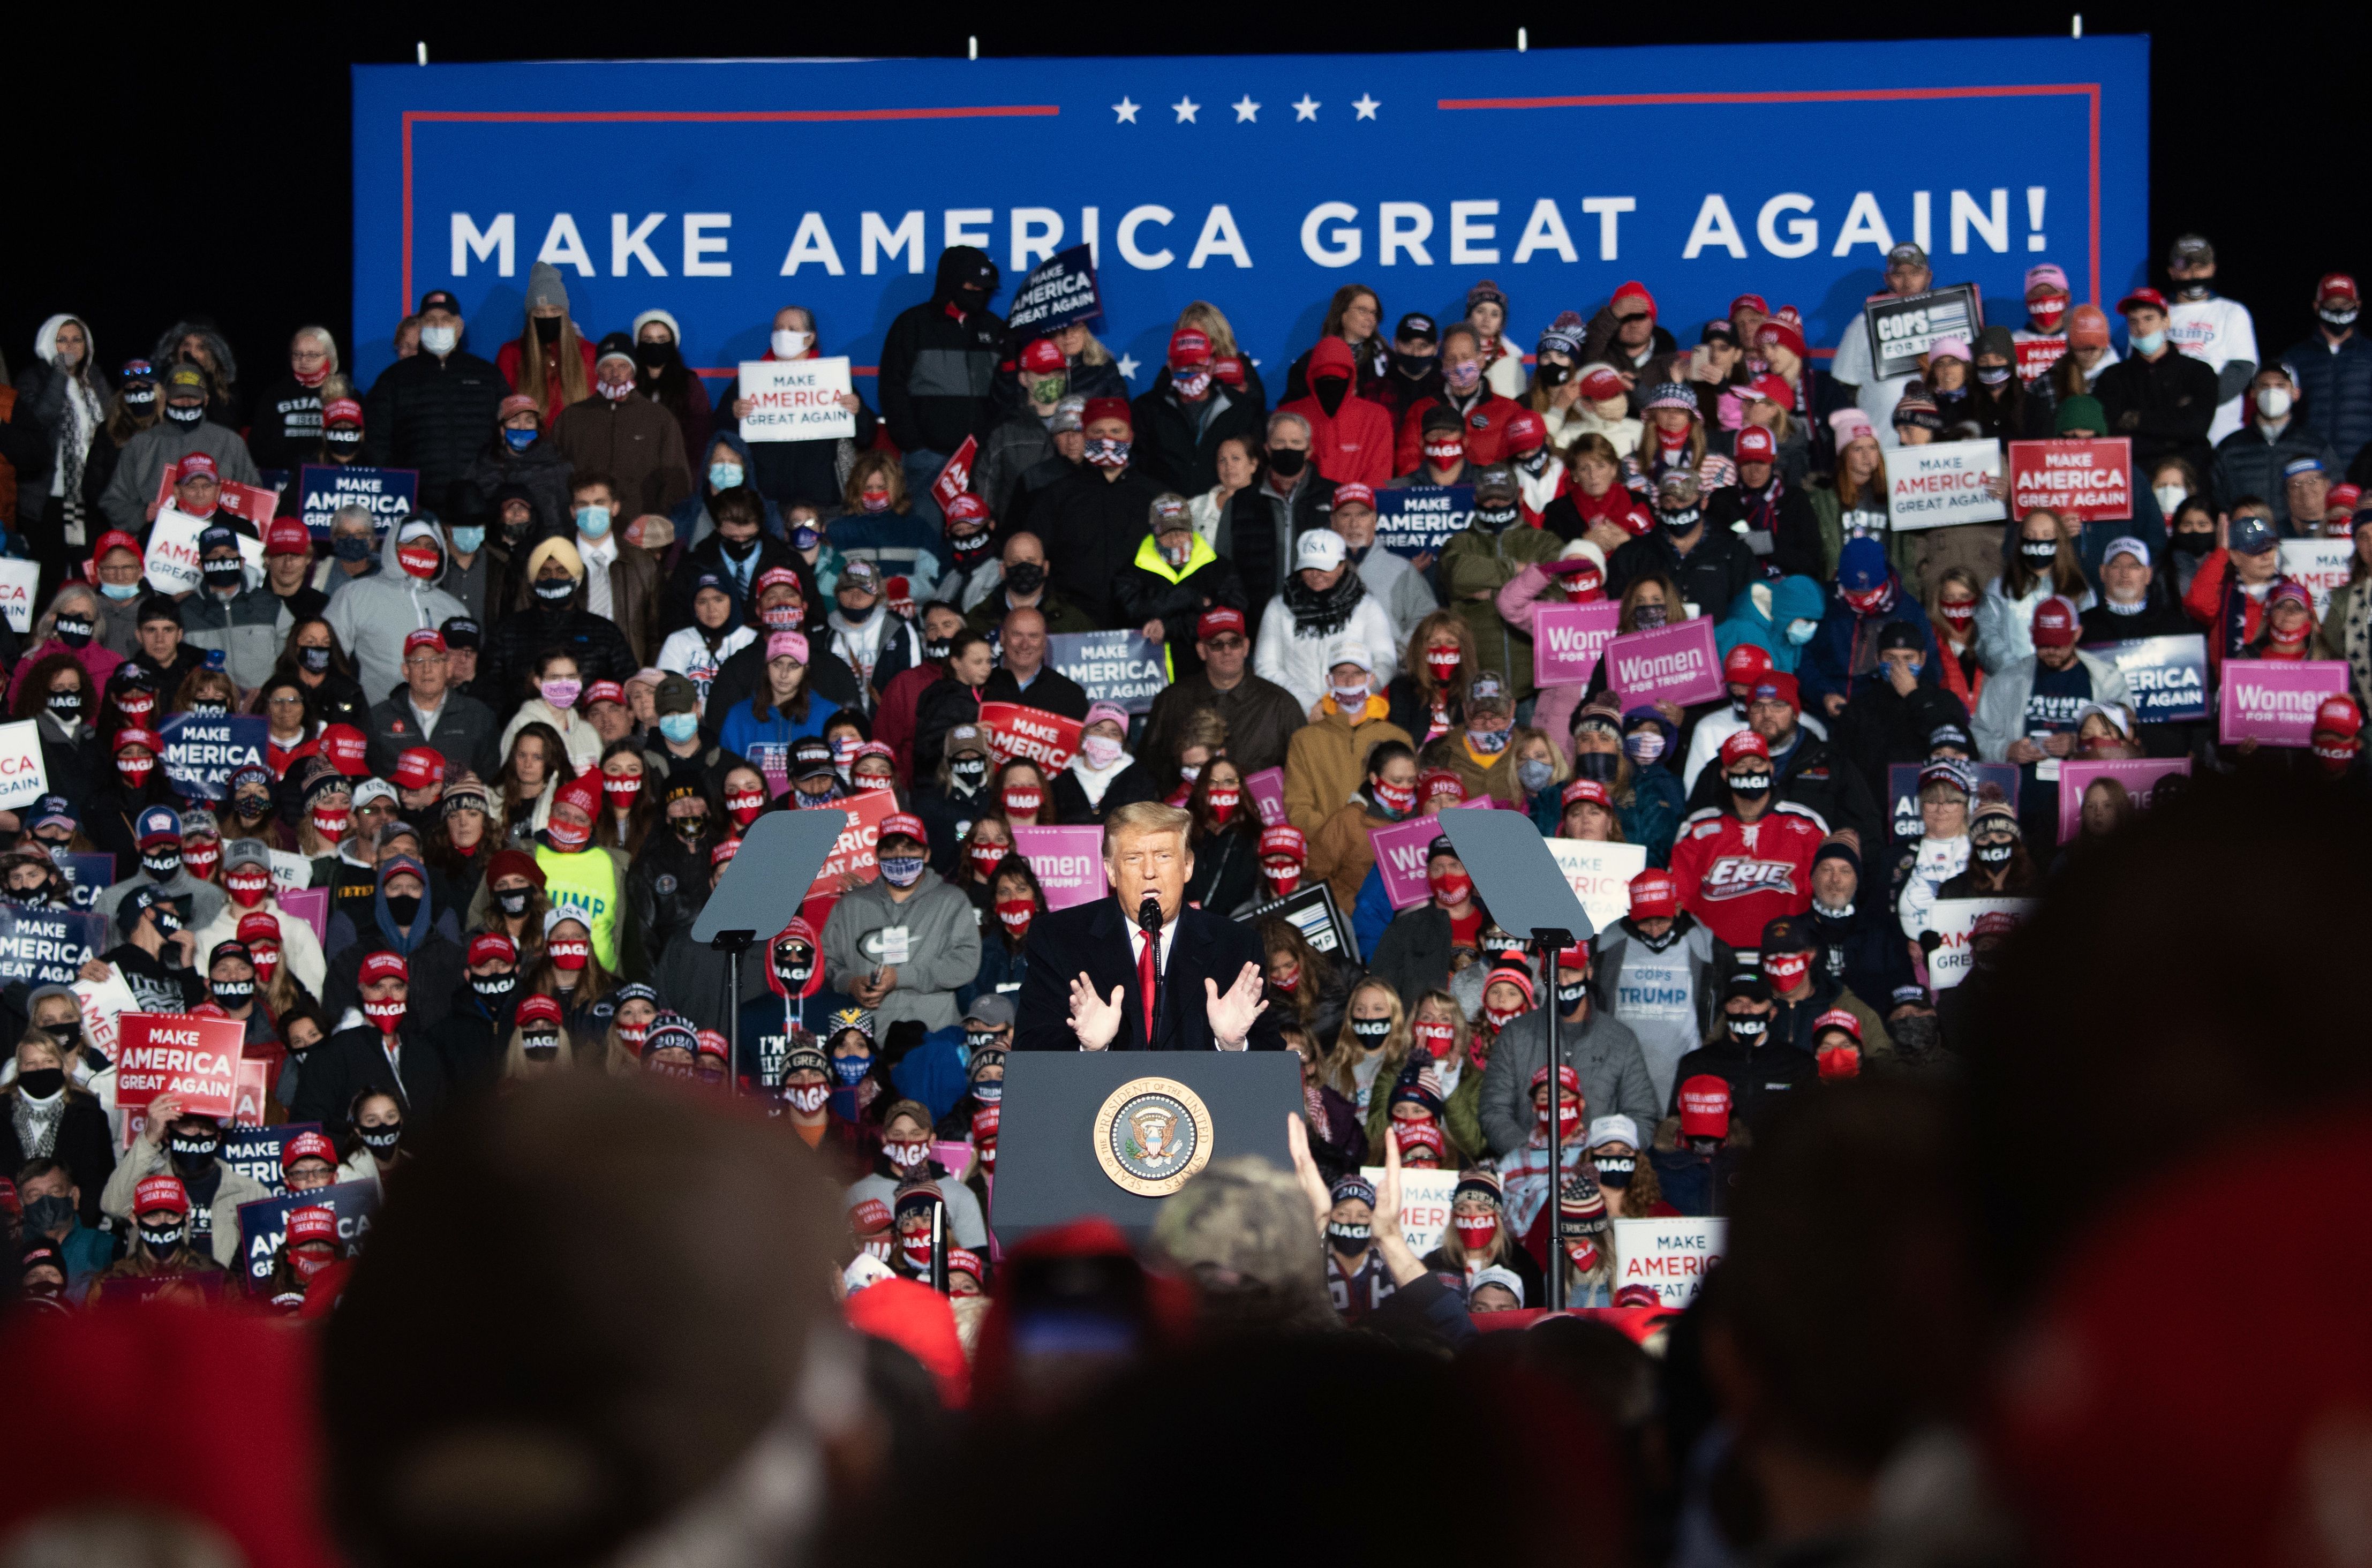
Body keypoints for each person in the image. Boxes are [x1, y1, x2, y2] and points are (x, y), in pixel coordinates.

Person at [1013, 801, 1281, 1052]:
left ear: (1187, 866)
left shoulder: (1236, 946)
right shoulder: (1058, 938)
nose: (1149, 871)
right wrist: (1090, 1050)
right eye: (1133, 858)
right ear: (1111, 871)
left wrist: (1233, 1045)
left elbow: (1273, 1066)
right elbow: (1030, 1054)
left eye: (1163, 856)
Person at [1477, 942, 1660, 1157]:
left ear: (1589, 971)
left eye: (1572, 971)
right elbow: (1494, 1111)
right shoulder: (1515, 1034)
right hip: (1528, 1176)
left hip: (1598, 1175)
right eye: (1556, 973)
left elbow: (1642, 1115)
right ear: (1544, 977)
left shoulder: (1621, 1039)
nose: (1563, 982)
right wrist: (1531, 1156)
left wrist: (1605, 1156)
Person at [1974, 595, 2132, 843]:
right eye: (2045, 645)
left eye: (2059, 644)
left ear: (2077, 633)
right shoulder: (2007, 681)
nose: (2052, 652)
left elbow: (2128, 743)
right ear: (2031, 635)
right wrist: (2006, 749)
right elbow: (1978, 734)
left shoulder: (2107, 680)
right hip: (2023, 813)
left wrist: (2081, 746)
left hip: (2087, 814)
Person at [819, 812, 980, 1034]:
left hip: (934, 1035)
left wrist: (902, 977)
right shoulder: (851, 905)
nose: (899, 856)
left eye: (909, 848)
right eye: (891, 848)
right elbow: (825, 960)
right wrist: (849, 982)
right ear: (877, 854)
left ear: (926, 854)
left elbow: (966, 963)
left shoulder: (952, 901)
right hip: (868, 1039)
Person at [1668, 730, 1826, 953]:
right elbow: (1679, 900)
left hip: (1786, 956)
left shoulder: (1806, 825)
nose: (1750, 771)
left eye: (1757, 762)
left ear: (1771, 769)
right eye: (1741, 765)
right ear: (1725, 774)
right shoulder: (1698, 829)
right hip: (1718, 958)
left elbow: (1823, 894)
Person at [1682, 669, 1882, 845]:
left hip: (1810, 878)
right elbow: (1695, 830)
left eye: (1778, 705)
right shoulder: (1721, 768)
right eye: (1758, 706)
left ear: (1795, 713)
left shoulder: (1832, 764)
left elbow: (1865, 832)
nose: (1767, 714)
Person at [1592, 867, 1734, 1109]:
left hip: (1685, 1073)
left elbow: (1731, 1000)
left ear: (1677, 909)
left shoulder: (1705, 946)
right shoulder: (1608, 945)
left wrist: (1713, 1048)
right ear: (1630, 914)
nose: (1655, 930)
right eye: (1646, 922)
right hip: (1620, 1073)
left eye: (1662, 920)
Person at [362, 289, 510, 516]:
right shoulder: (394, 379)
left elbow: (507, 437)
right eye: (431, 321)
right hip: (417, 508)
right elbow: (377, 445)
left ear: (459, 327)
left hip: (480, 504)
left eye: (446, 320)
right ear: (420, 327)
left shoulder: (488, 376)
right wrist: (399, 493)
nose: (439, 327)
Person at [99, 1092, 265, 1267]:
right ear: (168, 1136)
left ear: (217, 1137)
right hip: (155, 1292)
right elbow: (113, 1205)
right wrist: (149, 1139)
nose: (197, 1133)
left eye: (205, 1126)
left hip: (222, 1292)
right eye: (187, 1124)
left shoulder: (249, 1191)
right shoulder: (146, 1183)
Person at [1140, 608, 1306, 780]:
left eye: (1235, 642)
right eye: (1217, 644)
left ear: (1246, 647)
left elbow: (1304, 771)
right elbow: (1148, 767)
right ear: (1202, 650)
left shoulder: (1279, 703)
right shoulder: (1172, 700)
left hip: (1257, 805)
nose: (1227, 651)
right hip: (1186, 806)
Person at [97, 362, 261, 532]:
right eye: (179, 396)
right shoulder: (140, 444)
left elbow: (255, 501)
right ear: (165, 397)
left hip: (217, 544)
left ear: (206, 399)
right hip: (160, 544)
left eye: (193, 396)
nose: (186, 402)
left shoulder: (231, 442)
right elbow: (113, 501)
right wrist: (141, 516)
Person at [1256, 530, 1401, 714]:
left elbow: (1385, 661)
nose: (1316, 574)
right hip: (1294, 714)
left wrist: (1353, 699)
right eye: (1309, 567)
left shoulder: (1367, 606)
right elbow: (1266, 667)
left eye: (1324, 567)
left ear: (1341, 566)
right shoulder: (1278, 607)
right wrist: (1312, 705)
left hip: (1355, 714)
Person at [1666, 967, 1817, 1134]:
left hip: (1781, 1159)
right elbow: (1676, 1130)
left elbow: (1813, 1130)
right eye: (1737, 1002)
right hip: (1716, 1159)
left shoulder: (1799, 1064)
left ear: (1773, 1012)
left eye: (1755, 1002)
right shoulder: (1697, 1065)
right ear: (1726, 1010)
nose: (1746, 1010)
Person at [2093, 286, 2220, 479]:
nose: (2141, 328)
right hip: (2134, 473)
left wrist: (2136, 419)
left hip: (2191, 471)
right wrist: (2174, 421)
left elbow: (2196, 427)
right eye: (2133, 321)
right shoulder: (2112, 377)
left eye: (2149, 318)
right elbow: (2110, 433)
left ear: (2166, 322)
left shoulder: (2199, 373)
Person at [1826, 241, 1933, 447]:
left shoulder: (1948, 322)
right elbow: (1843, 390)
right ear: (1887, 278)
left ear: (1928, 277)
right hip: (1881, 449)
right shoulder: (1863, 324)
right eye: (1899, 274)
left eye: (1915, 273)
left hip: (1936, 453)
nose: (1907, 282)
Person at [2211, 365, 2339, 530]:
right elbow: (2217, 500)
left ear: (2296, 393)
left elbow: (2335, 495)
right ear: (2253, 393)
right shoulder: (2230, 448)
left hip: (2303, 541)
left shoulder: (2316, 447)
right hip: (2248, 541)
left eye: (2280, 386)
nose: (2272, 393)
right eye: (2264, 386)